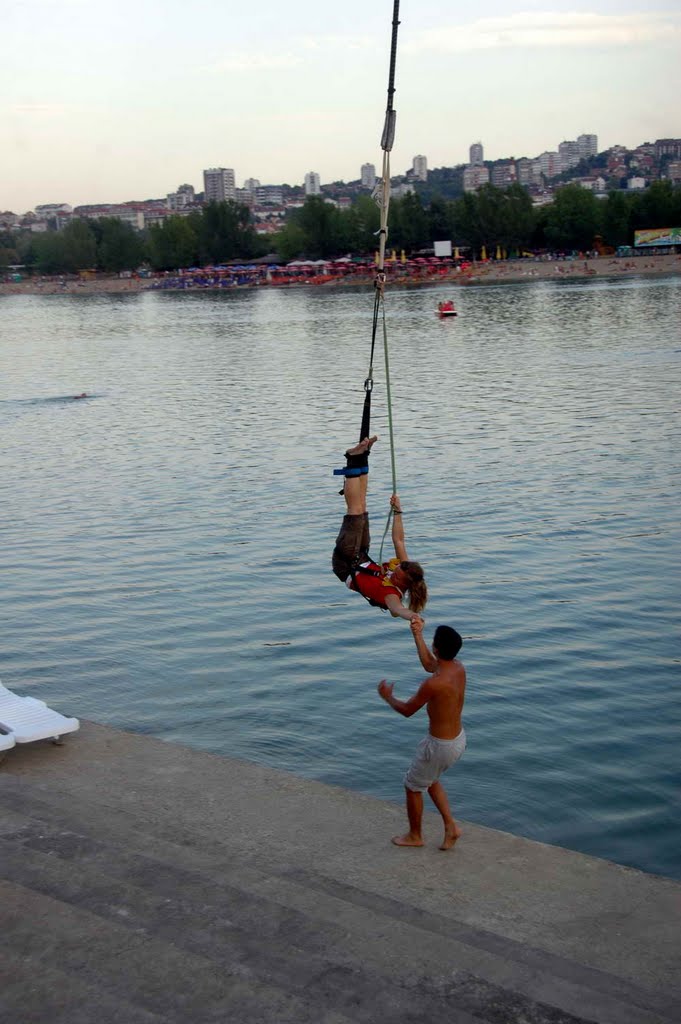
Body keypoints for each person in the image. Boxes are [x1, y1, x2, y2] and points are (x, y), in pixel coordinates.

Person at [378, 620, 466, 850]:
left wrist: (388, 697)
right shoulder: (457, 668)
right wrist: (417, 634)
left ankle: (415, 836)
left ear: (437, 648)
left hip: (438, 746)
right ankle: (451, 827)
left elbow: (407, 710)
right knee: (430, 779)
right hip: (457, 740)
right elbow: (430, 664)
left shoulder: (433, 684)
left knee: (412, 786)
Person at [331, 436, 427, 623]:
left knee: (355, 512)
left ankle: (352, 457)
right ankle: (363, 456)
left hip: (345, 564)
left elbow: (397, 609)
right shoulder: (405, 568)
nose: (398, 565)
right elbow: (399, 540)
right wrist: (398, 511)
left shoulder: (391, 594)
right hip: (362, 556)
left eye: (398, 570)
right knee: (362, 506)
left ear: (403, 581)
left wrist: (413, 616)